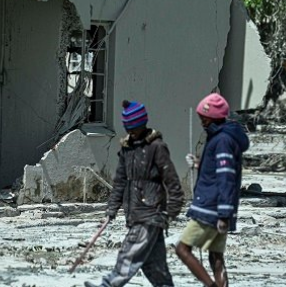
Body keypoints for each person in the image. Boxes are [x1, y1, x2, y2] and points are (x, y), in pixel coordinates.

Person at [85, 100, 185, 287]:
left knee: (128, 255)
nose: (130, 132)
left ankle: (108, 285)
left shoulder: (157, 147)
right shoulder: (127, 149)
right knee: (154, 266)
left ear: (142, 124)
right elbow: (120, 182)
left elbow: (172, 181)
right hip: (135, 213)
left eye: (134, 128)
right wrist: (112, 209)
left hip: (151, 214)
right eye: (128, 128)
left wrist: (171, 212)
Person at [176, 93, 249, 287]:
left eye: (204, 118)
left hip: (211, 207)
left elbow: (226, 177)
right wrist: (199, 165)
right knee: (216, 256)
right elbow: (218, 169)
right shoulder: (221, 137)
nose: (201, 122)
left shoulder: (222, 140)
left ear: (214, 117)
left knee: (182, 249)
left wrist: (224, 214)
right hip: (219, 207)